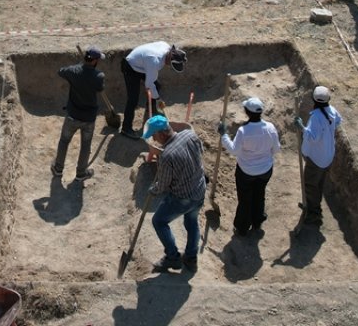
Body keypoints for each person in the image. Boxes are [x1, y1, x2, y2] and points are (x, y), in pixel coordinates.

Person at [144, 114, 206, 272]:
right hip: (199, 189)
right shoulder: (190, 135)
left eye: (154, 135)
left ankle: (173, 258)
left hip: (182, 198)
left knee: (159, 221)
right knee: (192, 223)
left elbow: (163, 184)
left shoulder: (167, 155)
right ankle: (191, 259)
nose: (154, 139)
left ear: (162, 133)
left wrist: (153, 189)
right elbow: (200, 154)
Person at [218, 97, 281, 236]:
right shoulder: (270, 128)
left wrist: (223, 135)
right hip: (265, 170)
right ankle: (257, 221)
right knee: (260, 194)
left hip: (246, 172)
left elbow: (234, 150)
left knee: (245, 199)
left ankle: (242, 227)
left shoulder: (243, 131)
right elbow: (276, 149)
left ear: (246, 112)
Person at [51, 46, 106, 181]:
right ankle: (81, 173)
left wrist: (77, 68)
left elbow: (60, 71)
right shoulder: (99, 76)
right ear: (94, 61)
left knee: (64, 141)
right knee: (85, 145)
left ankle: (58, 169)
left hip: (72, 116)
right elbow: (100, 88)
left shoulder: (73, 71)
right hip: (88, 119)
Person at [294, 87, 342, 233]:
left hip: (317, 159)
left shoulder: (316, 117)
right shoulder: (331, 111)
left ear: (314, 100)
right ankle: (313, 206)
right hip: (327, 155)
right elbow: (338, 121)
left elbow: (313, 138)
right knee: (319, 183)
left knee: (310, 184)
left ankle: (313, 213)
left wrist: (302, 127)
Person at [120, 42, 187, 138]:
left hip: (142, 65)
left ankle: (150, 108)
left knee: (157, 85)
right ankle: (125, 128)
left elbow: (152, 81)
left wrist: (156, 96)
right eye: (171, 65)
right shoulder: (155, 61)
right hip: (131, 67)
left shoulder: (166, 47)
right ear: (169, 57)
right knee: (133, 99)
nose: (169, 66)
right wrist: (158, 99)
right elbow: (148, 85)